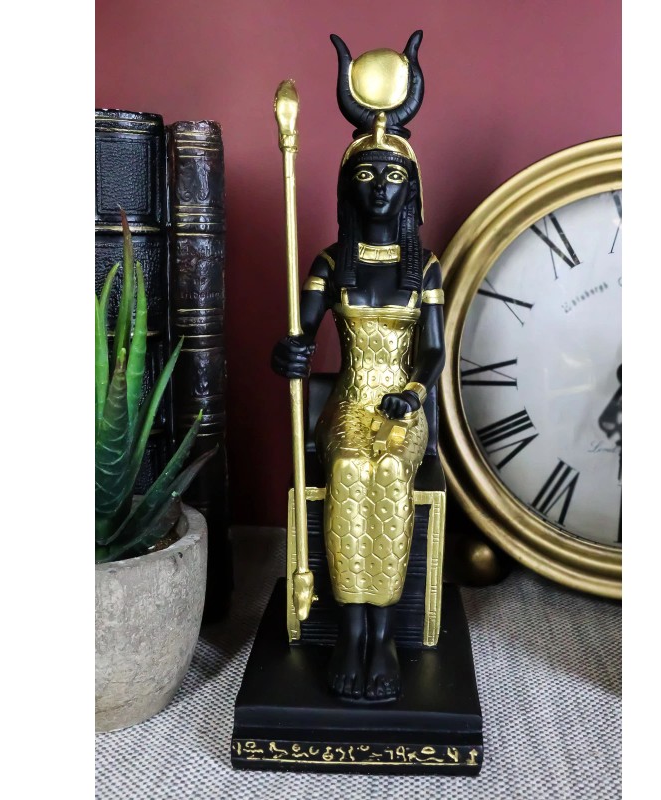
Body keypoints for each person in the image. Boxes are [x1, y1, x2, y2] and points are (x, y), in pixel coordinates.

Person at [271, 32, 445, 702]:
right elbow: (300, 335)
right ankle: (351, 629)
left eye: (394, 177)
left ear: (411, 190)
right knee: (347, 468)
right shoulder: (328, 262)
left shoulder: (423, 268)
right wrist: (287, 351)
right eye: (367, 176)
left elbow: (432, 350)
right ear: (347, 185)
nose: (380, 189)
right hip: (348, 402)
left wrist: (413, 392)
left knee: (391, 473)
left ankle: (384, 633)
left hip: (403, 400)